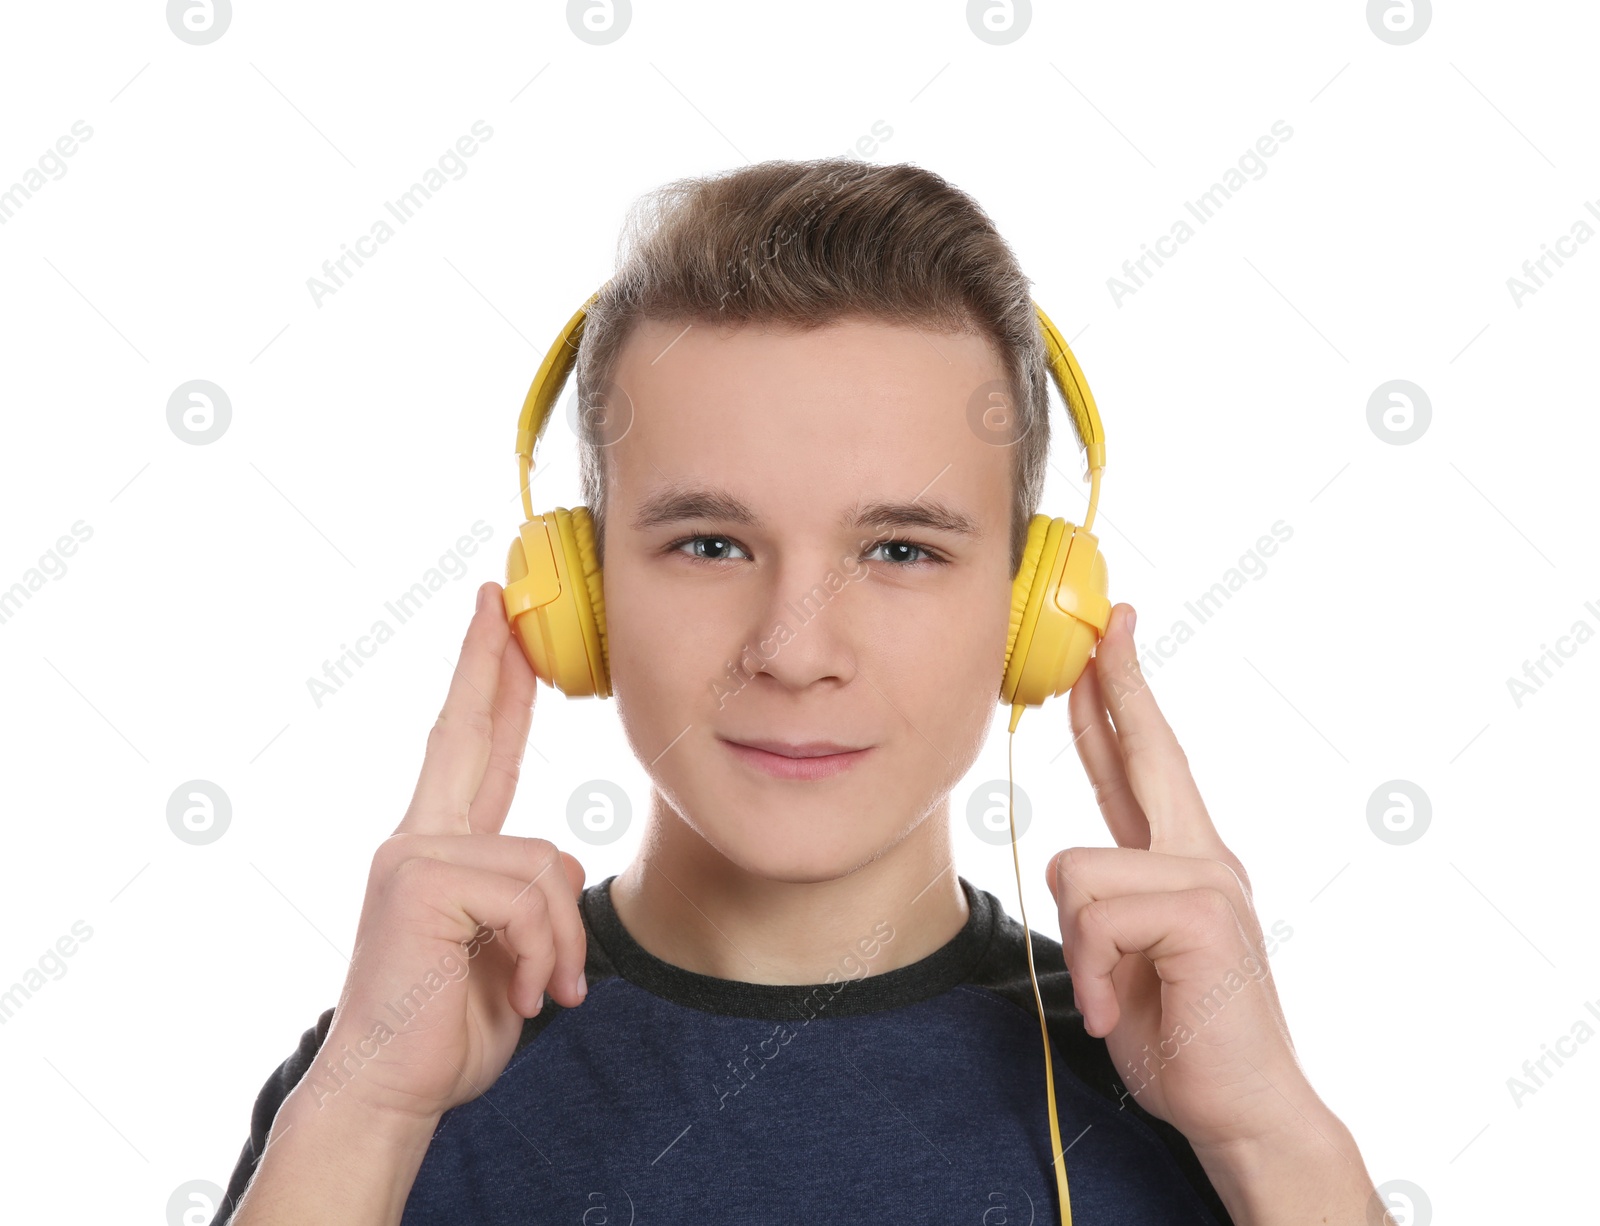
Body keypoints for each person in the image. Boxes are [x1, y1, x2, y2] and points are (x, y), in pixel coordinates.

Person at [213, 158, 1382, 1224]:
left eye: (901, 550)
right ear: (579, 595)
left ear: (1030, 614)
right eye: (711, 543)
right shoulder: (387, 1073)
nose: (793, 649)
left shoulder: (1185, 1082)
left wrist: (1275, 1136)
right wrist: (359, 1119)